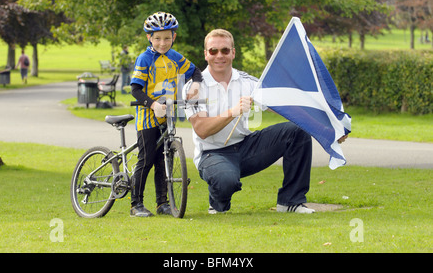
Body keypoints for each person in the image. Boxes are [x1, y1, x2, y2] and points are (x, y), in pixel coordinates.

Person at [183, 29, 347, 214]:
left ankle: (290, 202)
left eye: (225, 50)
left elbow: (288, 106)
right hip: (212, 154)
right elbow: (202, 129)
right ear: (206, 54)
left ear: (233, 53)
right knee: (225, 180)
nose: (219, 55)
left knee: (297, 131)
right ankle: (218, 203)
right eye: (213, 51)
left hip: (246, 147)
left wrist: (327, 128)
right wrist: (233, 112)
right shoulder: (194, 87)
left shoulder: (248, 82)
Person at [129, 12, 203, 217]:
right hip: (148, 118)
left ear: (174, 37)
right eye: (158, 38)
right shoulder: (145, 59)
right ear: (149, 38)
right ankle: (136, 205)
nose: (163, 43)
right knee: (147, 160)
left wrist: (195, 85)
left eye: (167, 38)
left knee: (164, 160)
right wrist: (152, 105)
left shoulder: (175, 57)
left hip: (168, 116)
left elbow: (196, 71)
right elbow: (135, 89)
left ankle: (162, 204)